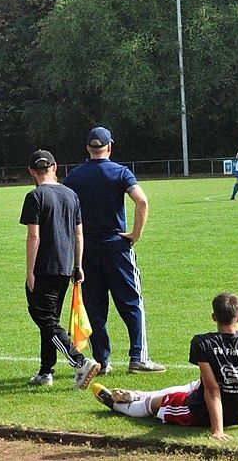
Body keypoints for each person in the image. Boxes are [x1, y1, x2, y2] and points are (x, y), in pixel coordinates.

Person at [90, 292, 238, 440]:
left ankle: (118, 403)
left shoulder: (203, 342)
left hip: (198, 413)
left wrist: (218, 430)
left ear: (213, 317)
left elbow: (213, 389)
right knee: (195, 384)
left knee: (158, 404)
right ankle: (136, 393)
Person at [63, 127, 164, 375]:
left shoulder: (74, 177)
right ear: (110, 146)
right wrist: (135, 234)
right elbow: (141, 200)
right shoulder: (120, 173)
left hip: (85, 249)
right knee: (131, 302)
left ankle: (102, 361)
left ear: (88, 148)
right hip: (116, 247)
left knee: (95, 307)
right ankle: (138, 357)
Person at [19, 150, 101, 387]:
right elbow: (78, 233)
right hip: (65, 266)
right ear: (55, 167)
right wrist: (78, 265)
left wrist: (30, 271)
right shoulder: (71, 195)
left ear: (32, 171)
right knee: (50, 319)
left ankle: (79, 362)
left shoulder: (35, 197)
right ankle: (46, 371)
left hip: (44, 267)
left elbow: (34, 237)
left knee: (45, 319)